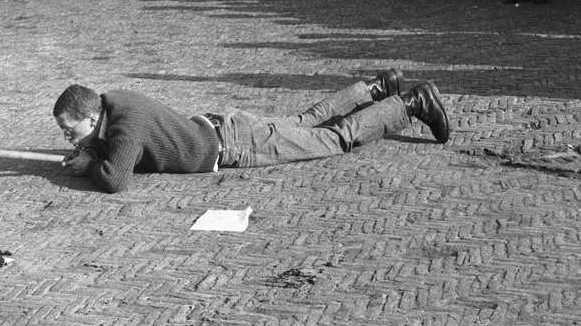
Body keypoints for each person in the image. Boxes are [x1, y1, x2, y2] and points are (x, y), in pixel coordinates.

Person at [53, 69, 449, 194]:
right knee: (304, 121)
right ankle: (376, 88)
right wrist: (94, 150)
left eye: (70, 131)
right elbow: (125, 151)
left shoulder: (125, 129)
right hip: (225, 124)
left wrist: (90, 162)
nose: (68, 138)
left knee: (334, 139)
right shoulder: (112, 100)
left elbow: (114, 180)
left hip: (236, 144)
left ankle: (410, 103)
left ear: (91, 119)